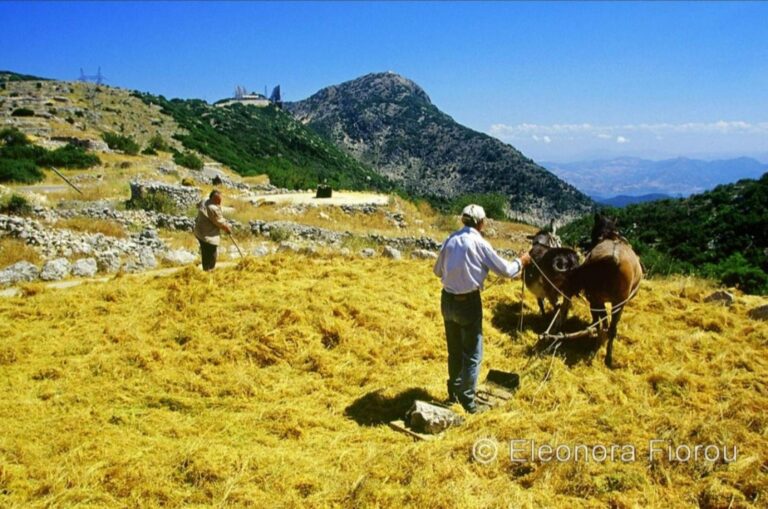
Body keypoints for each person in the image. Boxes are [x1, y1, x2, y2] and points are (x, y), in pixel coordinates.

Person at [433, 204, 532, 414]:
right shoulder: (479, 242)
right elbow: (506, 271)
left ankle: (454, 391)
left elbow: (437, 271)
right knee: (472, 354)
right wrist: (521, 261)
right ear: (481, 223)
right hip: (468, 302)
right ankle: (467, 401)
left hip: (447, 300)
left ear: (463, 220)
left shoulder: (450, 240)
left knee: (454, 350)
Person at [193, 189, 232, 271]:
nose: (220, 202)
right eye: (218, 200)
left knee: (205, 251)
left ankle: (206, 270)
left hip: (199, 231)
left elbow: (198, 205)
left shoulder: (204, 200)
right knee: (211, 252)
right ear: (213, 198)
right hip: (208, 235)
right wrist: (227, 228)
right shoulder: (213, 208)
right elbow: (219, 222)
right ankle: (210, 270)